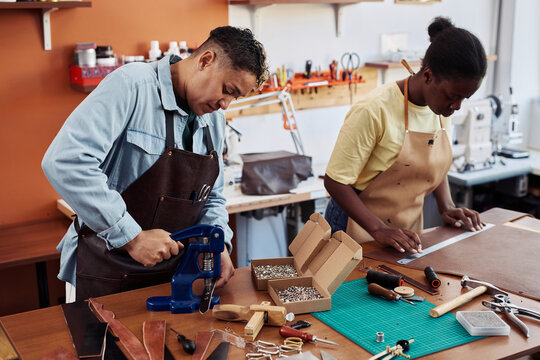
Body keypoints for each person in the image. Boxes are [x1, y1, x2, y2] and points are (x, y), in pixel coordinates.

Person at [42, 26, 268, 302]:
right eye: (227, 90)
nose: (226, 105)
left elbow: (213, 195)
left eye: (235, 97)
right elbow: (65, 161)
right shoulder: (132, 85)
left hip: (171, 279)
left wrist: (216, 241)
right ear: (205, 60)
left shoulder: (213, 119)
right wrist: (132, 238)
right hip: (105, 273)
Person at [324, 17, 485, 254]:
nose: (458, 106)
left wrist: (446, 206)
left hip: (403, 231)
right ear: (428, 76)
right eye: (453, 96)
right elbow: (335, 182)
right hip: (355, 227)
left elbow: (432, 161)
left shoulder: (440, 109)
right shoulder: (374, 110)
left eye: (464, 98)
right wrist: (378, 229)